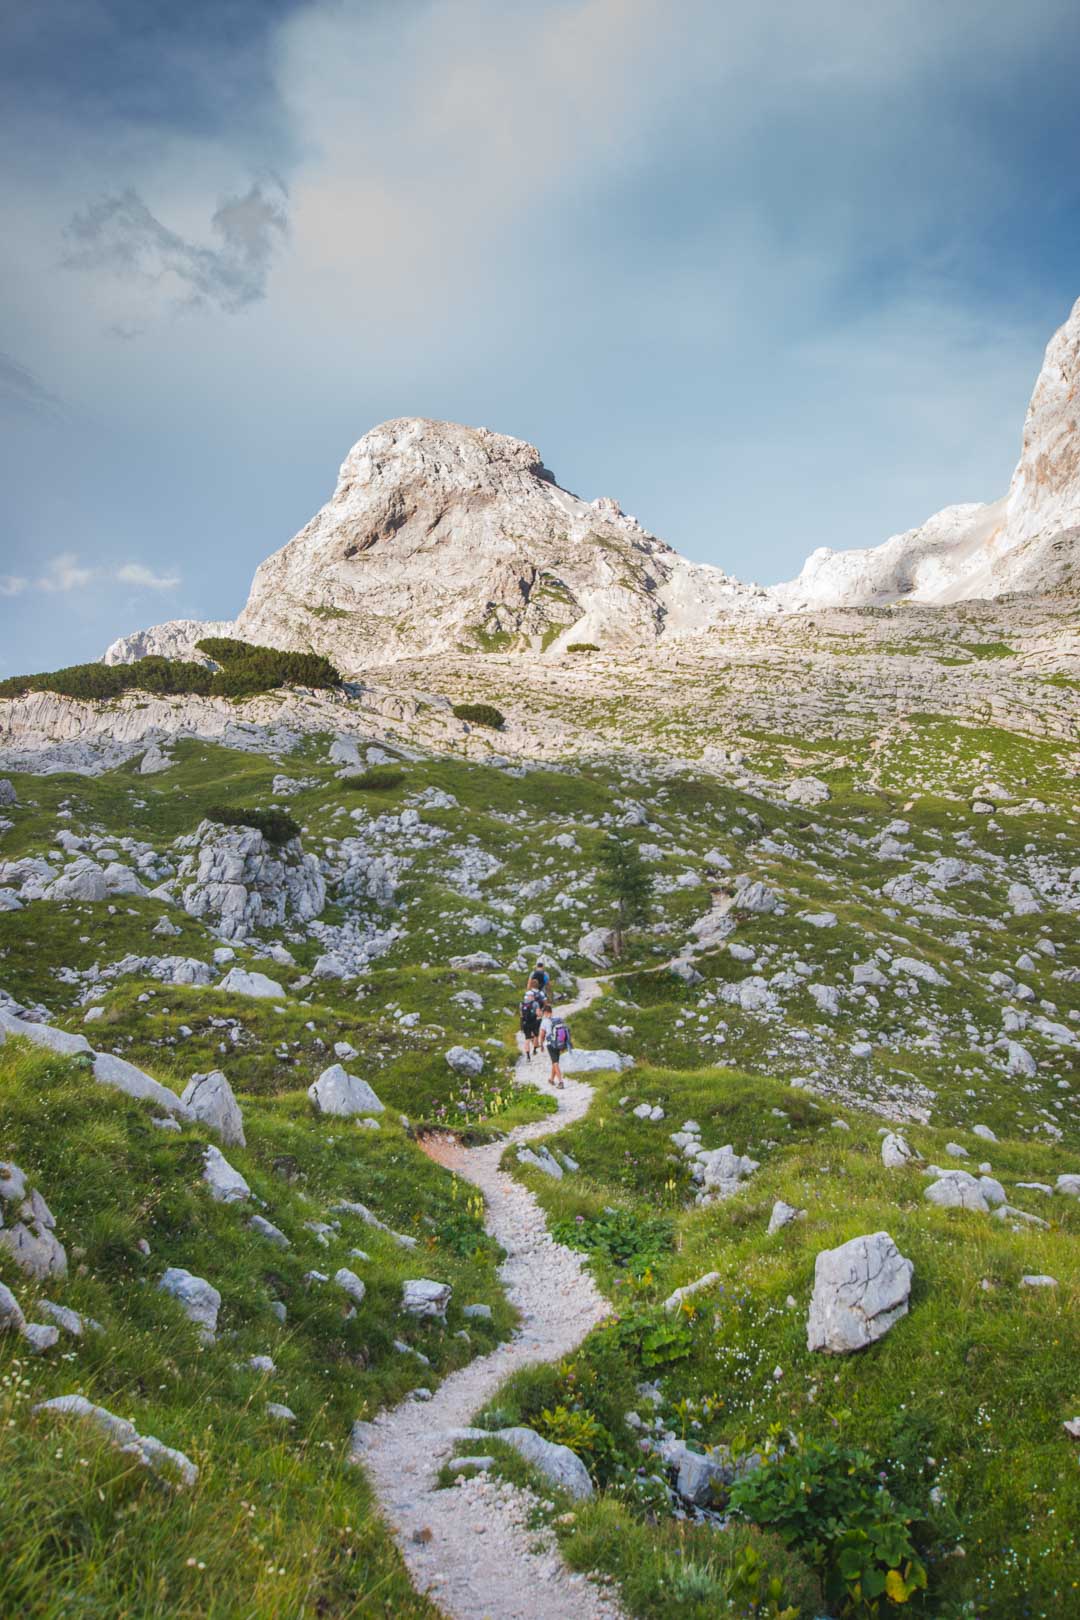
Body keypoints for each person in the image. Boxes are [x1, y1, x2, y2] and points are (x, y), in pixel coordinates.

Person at [539, 1000, 572, 1088]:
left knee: (555, 1062)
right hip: (559, 1043)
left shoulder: (544, 1021)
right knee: (555, 1061)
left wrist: (541, 1044)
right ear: (551, 1012)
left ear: (545, 1012)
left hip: (550, 1044)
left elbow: (542, 1035)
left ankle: (561, 1082)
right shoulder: (558, 1020)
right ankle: (551, 1079)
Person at [520, 988, 542, 1059]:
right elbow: (538, 1014)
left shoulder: (522, 1004)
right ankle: (535, 1050)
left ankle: (528, 1056)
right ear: (532, 996)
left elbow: (521, 1015)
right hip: (534, 1022)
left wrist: (521, 1026)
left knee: (527, 1039)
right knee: (536, 1035)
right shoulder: (535, 1003)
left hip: (525, 1023)